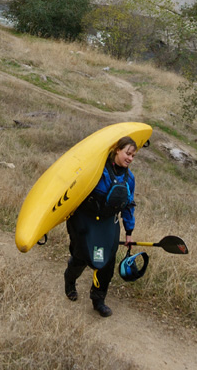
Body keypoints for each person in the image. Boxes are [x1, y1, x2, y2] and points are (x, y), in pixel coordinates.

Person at [63, 135, 137, 317]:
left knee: (107, 263)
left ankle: (98, 300)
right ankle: (70, 280)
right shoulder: (97, 169)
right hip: (85, 218)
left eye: (133, 156)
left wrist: (129, 232)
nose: (130, 158)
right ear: (116, 150)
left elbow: (128, 205)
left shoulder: (130, 178)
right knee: (81, 256)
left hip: (108, 222)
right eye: (127, 153)